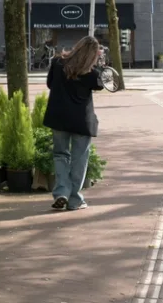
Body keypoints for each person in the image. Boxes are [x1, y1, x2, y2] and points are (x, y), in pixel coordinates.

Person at [43, 36, 104, 211]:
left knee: (60, 155)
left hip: (59, 116)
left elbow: (50, 84)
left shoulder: (58, 63)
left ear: (77, 47)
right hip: (81, 121)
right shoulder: (91, 73)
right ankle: (75, 199)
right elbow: (100, 86)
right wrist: (97, 65)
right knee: (79, 159)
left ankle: (62, 192)